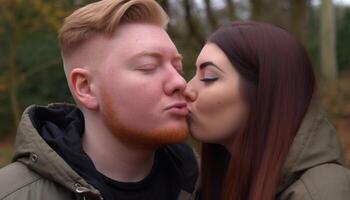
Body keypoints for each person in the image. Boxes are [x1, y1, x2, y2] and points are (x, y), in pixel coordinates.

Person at [0, 0, 198, 199]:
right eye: (147, 67)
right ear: (86, 88)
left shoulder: (209, 182)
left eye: (177, 67)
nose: (180, 82)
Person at [185, 21, 350, 200]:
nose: (187, 89)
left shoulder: (322, 193)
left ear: (265, 91)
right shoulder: (211, 178)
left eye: (209, 76)